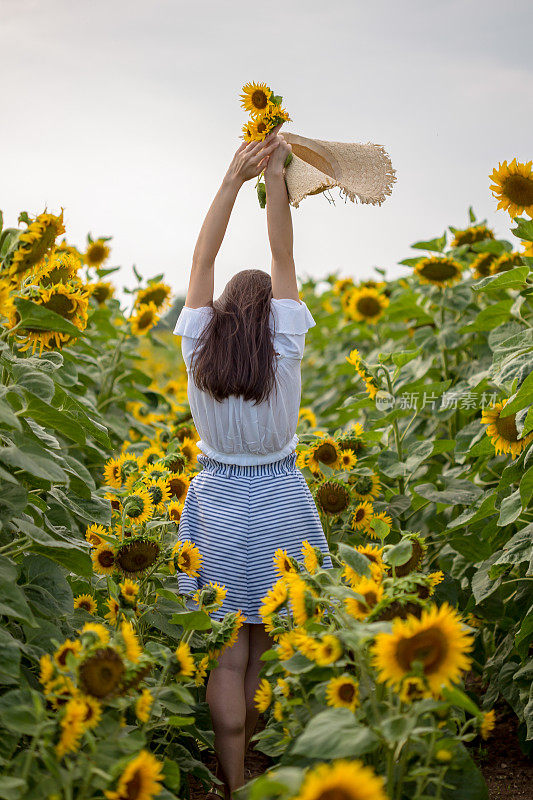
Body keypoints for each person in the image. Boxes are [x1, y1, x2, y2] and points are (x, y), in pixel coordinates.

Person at [173, 128, 333, 800]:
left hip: (214, 505)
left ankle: (233, 783)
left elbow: (203, 255)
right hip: (279, 501)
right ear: (272, 314)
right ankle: (265, 778)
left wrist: (231, 181)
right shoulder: (284, 348)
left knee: (226, 654)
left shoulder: (197, 346)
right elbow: (282, 249)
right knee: (266, 647)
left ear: (219, 314)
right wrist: (276, 184)